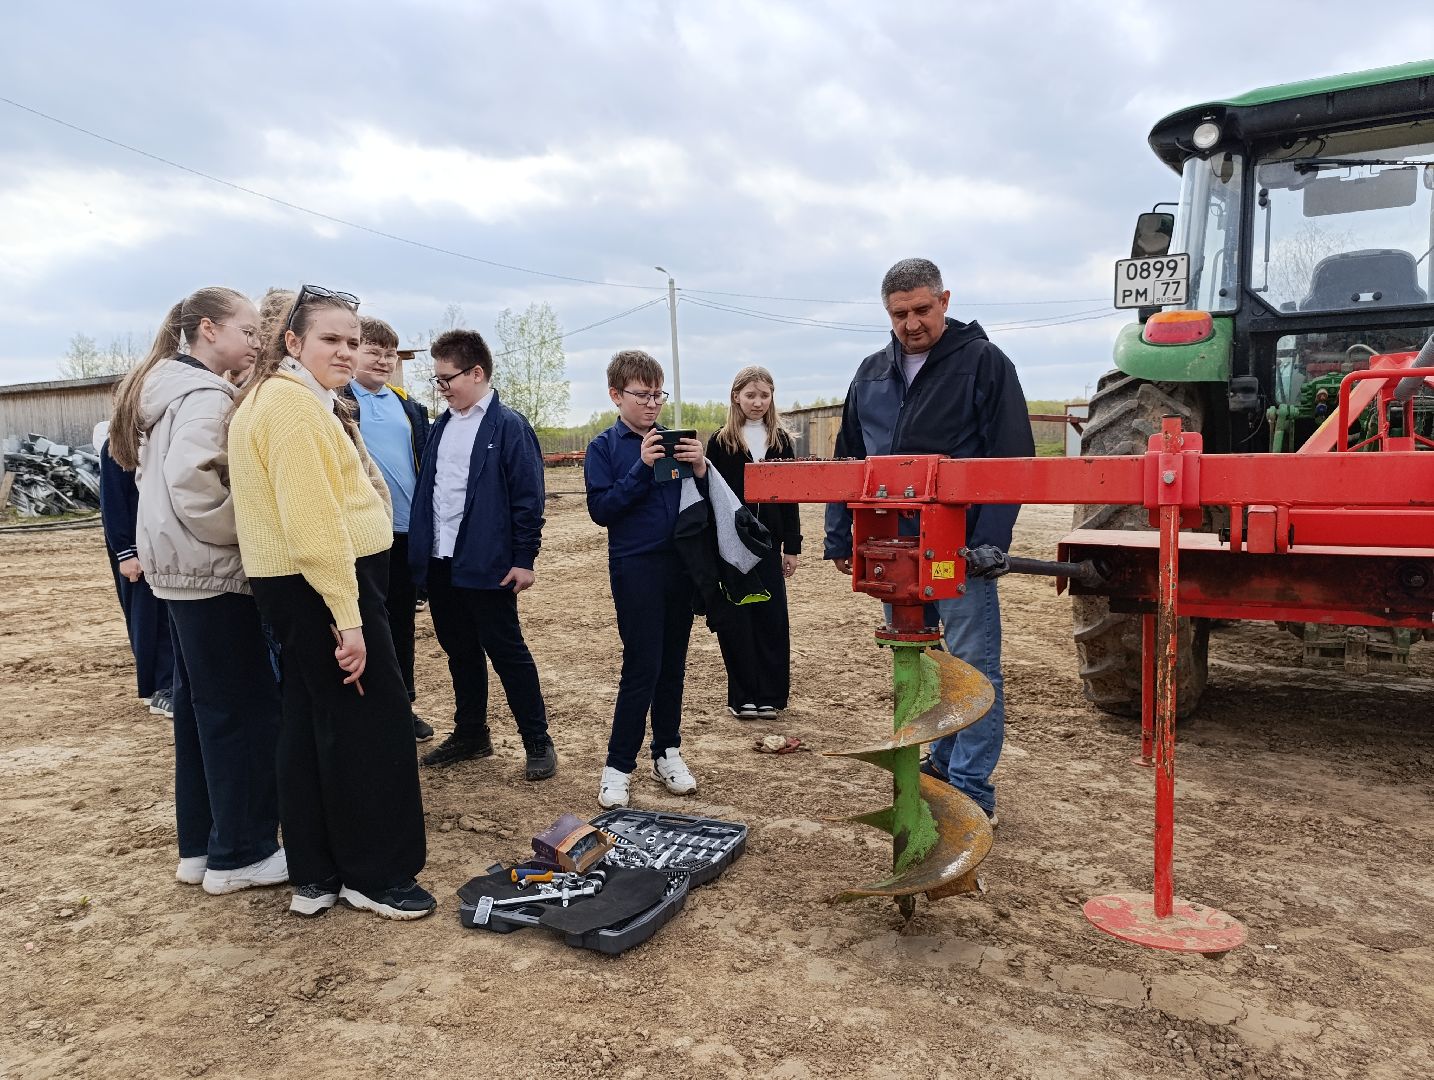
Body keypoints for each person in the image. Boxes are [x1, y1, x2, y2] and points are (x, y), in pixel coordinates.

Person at [228, 285, 433, 921]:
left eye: (353, 340)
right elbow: (313, 523)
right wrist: (348, 618)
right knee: (370, 726)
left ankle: (316, 870)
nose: (345, 351)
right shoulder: (290, 406)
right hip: (323, 584)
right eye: (331, 340)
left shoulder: (293, 398)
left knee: (312, 721)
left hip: (309, 583)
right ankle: (374, 874)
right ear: (293, 342)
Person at [824, 258, 1034, 824]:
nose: (911, 324)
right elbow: (848, 458)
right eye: (899, 314)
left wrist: (988, 543)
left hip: (955, 551)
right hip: (892, 548)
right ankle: (939, 765)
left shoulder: (983, 363)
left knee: (971, 667)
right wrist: (839, 533)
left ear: (945, 300)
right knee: (920, 663)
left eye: (921, 309)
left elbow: (1011, 459)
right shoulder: (870, 373)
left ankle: (970, 789)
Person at [107, 287, 285, 894]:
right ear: (208, 329)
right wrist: (258, 529)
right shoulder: (206, 395)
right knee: (243, 711)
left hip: (180, 574)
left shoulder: (166, 389)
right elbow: (195, 487)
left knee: (201, 711)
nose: (257, 342)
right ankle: (243, 854)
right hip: (212, 572)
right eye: (248, 331)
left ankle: (201, 848)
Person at [408, 330, 556, 780]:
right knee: (460, 651)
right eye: (436, 380)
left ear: (476, 373)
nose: (441, 387)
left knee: (507, 652)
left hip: (487, 562)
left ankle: (537, 740)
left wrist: (524, 558)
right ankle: (471, 733)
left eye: (446, 378)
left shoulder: (509, 426)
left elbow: (528, 498)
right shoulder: (441, 426)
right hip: (442, 561)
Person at [585, 350, 706, 808]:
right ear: (616, 395)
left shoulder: (675, 442)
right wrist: (640, 466)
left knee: (673, 665)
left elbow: (702, 504)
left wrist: (701, 468)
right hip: (636, 568)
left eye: (659, 395)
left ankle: (667, 752)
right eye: (643, 395)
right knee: (642, 667)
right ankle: (617, 767)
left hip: (680, 568)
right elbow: (602, 510)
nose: (653, 404)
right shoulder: (604, 448)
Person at [339, 315, 434, 743]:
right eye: (373, 351)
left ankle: (401, 706)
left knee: (401, 623)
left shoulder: (408, 406)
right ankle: (364, 709)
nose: (382, 360)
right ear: (353, 352)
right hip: (361, 534)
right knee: (363, 624)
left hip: (406, 532)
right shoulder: (337, 402)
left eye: (389, 354)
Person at [704, 366, 802, 719]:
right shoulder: (721, 442)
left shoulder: (781, 441)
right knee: (738, 619)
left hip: (769, 545)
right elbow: (712, 495)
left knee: (771, 619)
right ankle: (743, 696)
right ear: (736, 397)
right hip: (733, 545)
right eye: (750, 395)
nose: (758, 402)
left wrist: (792, 546)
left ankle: (770, 696)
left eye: (764, 395)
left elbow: (790, 498)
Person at [96, 419, 176, 717]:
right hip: (135, 548)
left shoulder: (159, 438)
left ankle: (169, 682)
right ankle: (160, 686)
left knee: (168, 617)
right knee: (148, 619)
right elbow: (113, 502)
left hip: (160, 544)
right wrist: (124, 552)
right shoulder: (118, 443)